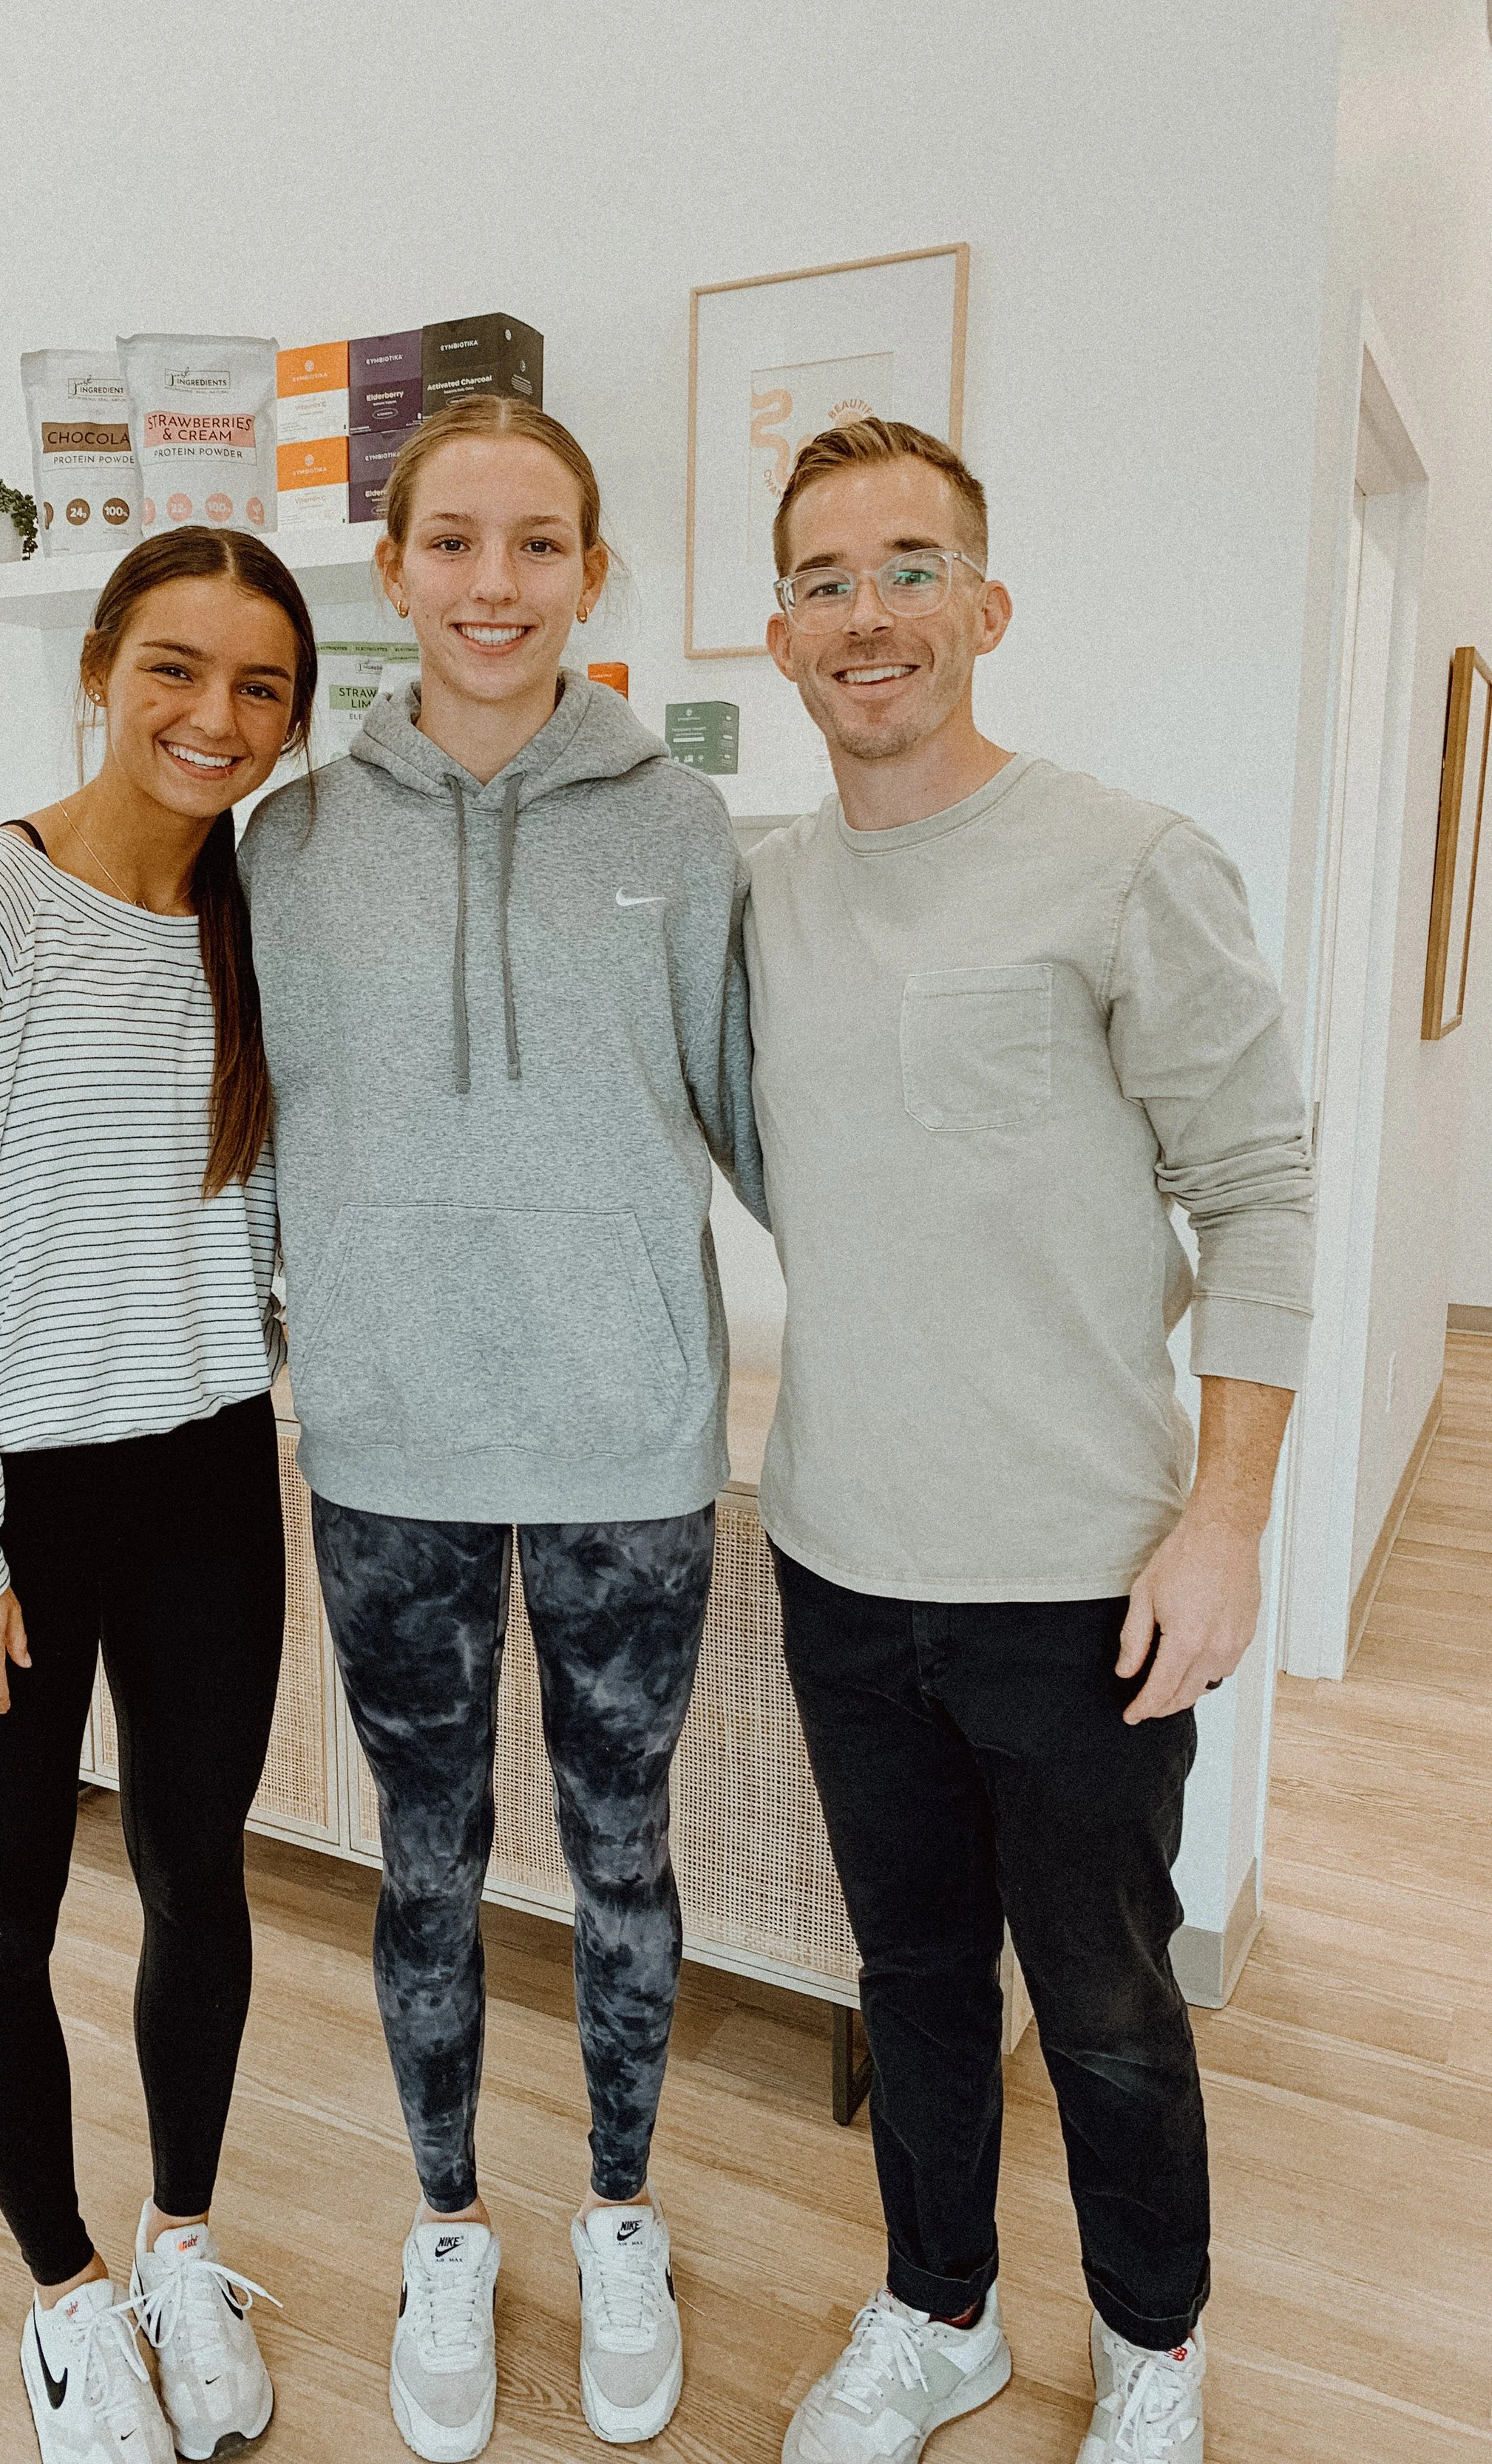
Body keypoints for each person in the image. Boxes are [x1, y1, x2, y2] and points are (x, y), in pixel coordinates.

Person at [745, 420, 1314, 2464]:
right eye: (823, 576)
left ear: (983, 608)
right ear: (778, 632)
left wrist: (1224, 1515)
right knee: (907, 1982)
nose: (866, 612)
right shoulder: (757, 895)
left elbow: (1259, 1185)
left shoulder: (1124, 860)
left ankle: (1151, 2344)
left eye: (910, 568)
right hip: (835, 1552)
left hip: (1078, 1577)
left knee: (1100, 2008)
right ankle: (940, 2309)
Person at [240, 393, 764, 2460]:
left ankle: (618, 2208)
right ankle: (445, 2223)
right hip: (386, 1448)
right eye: (452, 541)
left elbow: (751, 1105)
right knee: (426, 1859)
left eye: (535, 544)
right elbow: (251, 1140)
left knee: (624, 1848)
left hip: (630, 1436)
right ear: (394, 568)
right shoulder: (289, 841)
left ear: (591, 572)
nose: (491, 584)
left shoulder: (677, 821)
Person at [0, 527, 315, 2464]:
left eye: (262, 685)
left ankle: (179, 2241)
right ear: (99, 669)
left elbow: (250, 1222)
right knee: (1, 1912)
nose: (215, 717)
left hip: (207, 1476)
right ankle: (66, 2295)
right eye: (177, 668)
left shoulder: (246, 918)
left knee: (202, 1881)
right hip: (6, 1499)